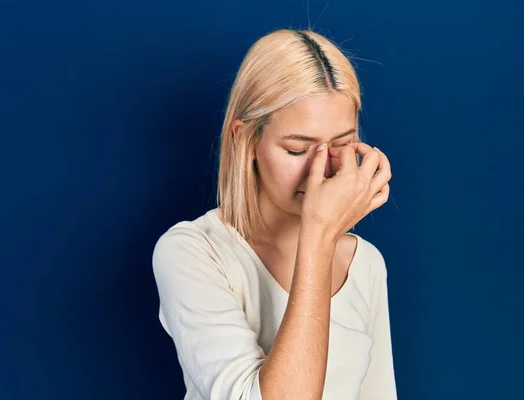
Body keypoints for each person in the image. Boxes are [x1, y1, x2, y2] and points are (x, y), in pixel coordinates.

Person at [152, 28, 396, 399]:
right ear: (246, 140)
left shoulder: (365, 264)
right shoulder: (191, 252)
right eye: (298, 150)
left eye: (342, 145)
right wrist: (319, 237)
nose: (320, 171)